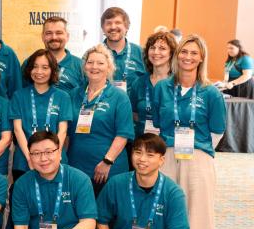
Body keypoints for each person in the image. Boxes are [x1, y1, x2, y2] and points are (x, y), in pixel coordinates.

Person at [151, 34, 226, 229]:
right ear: (177, 55)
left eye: (194, 53)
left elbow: (217, 132)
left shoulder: (211, 92)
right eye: (184, 52)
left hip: (198, 159)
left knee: (197, 218)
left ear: (201, 58)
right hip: (168, 156)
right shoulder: (161, 88)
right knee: (164, 215)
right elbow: (159, 124)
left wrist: (196, 152)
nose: (187, 57)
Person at [67, 45, 134, 194]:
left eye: (100, 63)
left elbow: (123, 134)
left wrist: (107, 161)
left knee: (106, 216)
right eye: (90, 62)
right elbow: (66, 131)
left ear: (109, 67)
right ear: (84, 66)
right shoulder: (74, 94)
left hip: (108, 169)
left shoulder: (119, 97)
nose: (94, 67)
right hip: (76, 168)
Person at [10, 50, 73, 180]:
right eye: (35, 66)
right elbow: (17, 129)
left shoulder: (63, 97)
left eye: (45, 67)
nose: (39, 72)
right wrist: (30, 157)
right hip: (24, 161)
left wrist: (54, 156)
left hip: (55, 161)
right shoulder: (18, 96)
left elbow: (63, 131)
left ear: (52, 70)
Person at [130, 30, 177, 140]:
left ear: (172, 53)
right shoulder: (139, 82)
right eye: (152, 48)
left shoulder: (178, 83)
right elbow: (134, 114)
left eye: (162, 48)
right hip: (142, 142)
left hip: (170, 144)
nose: (156, 52)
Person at [100, 7, 146, 94]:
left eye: (118, 23)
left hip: (133, 107)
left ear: (126, 26)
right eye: (109, 23)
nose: (113, 27)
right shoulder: (94, 54)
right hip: (101, 106)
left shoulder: (141, 53)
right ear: (103, 28)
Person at [39, 16, 84, 94]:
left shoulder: (81, 66)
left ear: (67, 36)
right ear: (42, 37)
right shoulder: (30, 63)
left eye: (59, 33)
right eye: (49, 33)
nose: (54, 37)